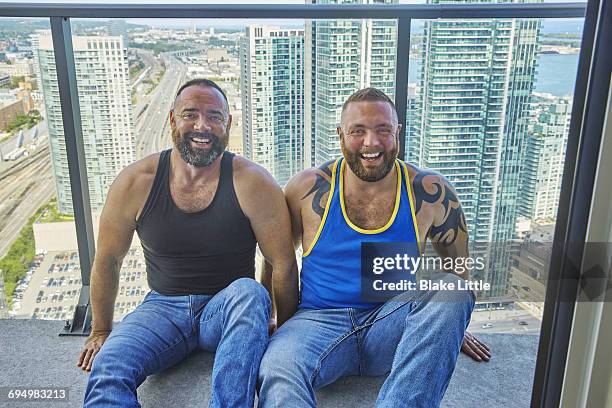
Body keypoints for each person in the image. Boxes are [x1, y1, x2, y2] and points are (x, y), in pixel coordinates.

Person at [258, 88, 490, 407]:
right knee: (277, 369)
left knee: (450, 289)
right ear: (340, 135)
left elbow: (458, 275)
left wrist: (443, 327)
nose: (372, 142)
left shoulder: (432, 193)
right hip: (317, 322)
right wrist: (269, 318)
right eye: (358, 131)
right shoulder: (305, 188)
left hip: (390, 322)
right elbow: (276, 258)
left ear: (397, 133)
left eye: (383, 130)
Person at [78, 78, 296, 408]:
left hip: (226, 307)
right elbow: (108, 259)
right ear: (172, 120)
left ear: (228, 124)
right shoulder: (136, 182)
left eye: (214, 117)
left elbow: (281, 262)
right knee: (109, 367)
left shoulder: (253, 182)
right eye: (190, 114)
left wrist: (281, 329)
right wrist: (100, 329)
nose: (202, 126)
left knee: (249, 293)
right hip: (162, 307)